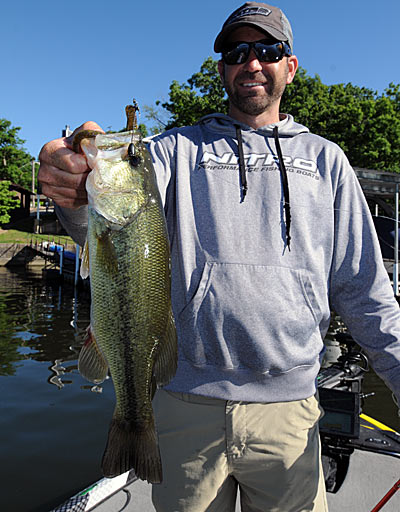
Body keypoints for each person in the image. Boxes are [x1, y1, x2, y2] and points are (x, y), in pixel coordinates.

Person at [38, 2, 400, 511]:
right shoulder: (170, 153)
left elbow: (365, 293)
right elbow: (101, 223)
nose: (252, 62)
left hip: (290, 413)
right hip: (184, 406)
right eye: (237, 51)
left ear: (290, 66)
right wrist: (66, 175)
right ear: (222, 68)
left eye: (268, 49)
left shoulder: (327, 162)